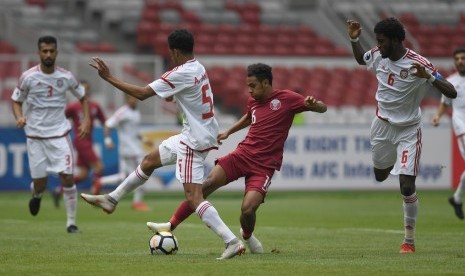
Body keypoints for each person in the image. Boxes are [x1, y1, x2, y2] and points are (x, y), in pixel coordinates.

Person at [80, 29, 245, 260]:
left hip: (193, 140)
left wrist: (108, 77)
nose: (170, 56)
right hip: (201, 132)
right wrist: (172, 93)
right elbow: (178, 93)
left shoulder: (179, 73)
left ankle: (232, 241)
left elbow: (141, 93)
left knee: (194, 197)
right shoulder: (198, 67)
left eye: (170, 52)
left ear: (175, 51)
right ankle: (112, 199)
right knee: (149, 161)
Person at [146, 63, 327, 254]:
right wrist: (228, 132)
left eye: (253, 86)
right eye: (248, 85)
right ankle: (170, 225)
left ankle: (247, 235)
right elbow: (249, 117)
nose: (249, 90)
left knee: (248, 210)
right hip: (242, 156)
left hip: (264, 166)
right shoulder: (254, 102)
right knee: (205, 185)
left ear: (266, 83)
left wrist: (316, 105)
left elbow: (323, 108)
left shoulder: (288, 99)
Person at [347, 18, 457, 253]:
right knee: (379, 175)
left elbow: (452, 91)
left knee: (406, 185)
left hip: (409, 129)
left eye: (382, 41)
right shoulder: (378, 54)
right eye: (377, 41)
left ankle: (409, 241)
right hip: (382, 126)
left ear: (396, 41)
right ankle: (388, 166)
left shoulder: (419, 63)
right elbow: (360, 59)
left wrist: (428, 77)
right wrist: (354, 39)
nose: (378, 45)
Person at [11, 35, 91, 233]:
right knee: (41, 183)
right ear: (39, 52)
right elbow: (16, 101)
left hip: (59, 134)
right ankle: (37, 195)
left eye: (51, 51)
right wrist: (19, 117)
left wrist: (87, 119)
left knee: (67, 178)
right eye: (44, 51)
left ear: (56, 52)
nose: (48, 54)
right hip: (35, 136)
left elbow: (83, 96)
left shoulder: (66, 77)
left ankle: (71, 223)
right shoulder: (28, 77)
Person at [52, 80, 107, 207]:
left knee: (82, 175)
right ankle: (96, 198)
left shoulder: (95, 106)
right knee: (99, 167)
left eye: (87, 89)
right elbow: (60, 118)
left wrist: (108, 133)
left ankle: (58, 191)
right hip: (81, 141)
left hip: (89, 141)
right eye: (82, 89)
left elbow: (105, 121)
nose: (85, 91)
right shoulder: (73, 107)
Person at [431, 47, 465, 220]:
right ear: (454, 62)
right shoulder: (451, 81)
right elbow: (445, 103)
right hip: (462, 126)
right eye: (457, 59)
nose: (460, 61)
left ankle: (457, 198)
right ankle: (457, 198)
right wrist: (437, 116)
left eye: (463, 58)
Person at [102, 94, 152, 212]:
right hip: (129, 149)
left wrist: (144, 140)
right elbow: (108, 124)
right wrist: (108, 141)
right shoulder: (123, 111)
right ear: (126, 99)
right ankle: (137, 202)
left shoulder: (136, 113)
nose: (134, 100)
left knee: (126, 176)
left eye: (135, 98)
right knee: (144, 171)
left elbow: (134, 132)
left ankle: (100, 182)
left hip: (134, 148)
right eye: (132, 98)